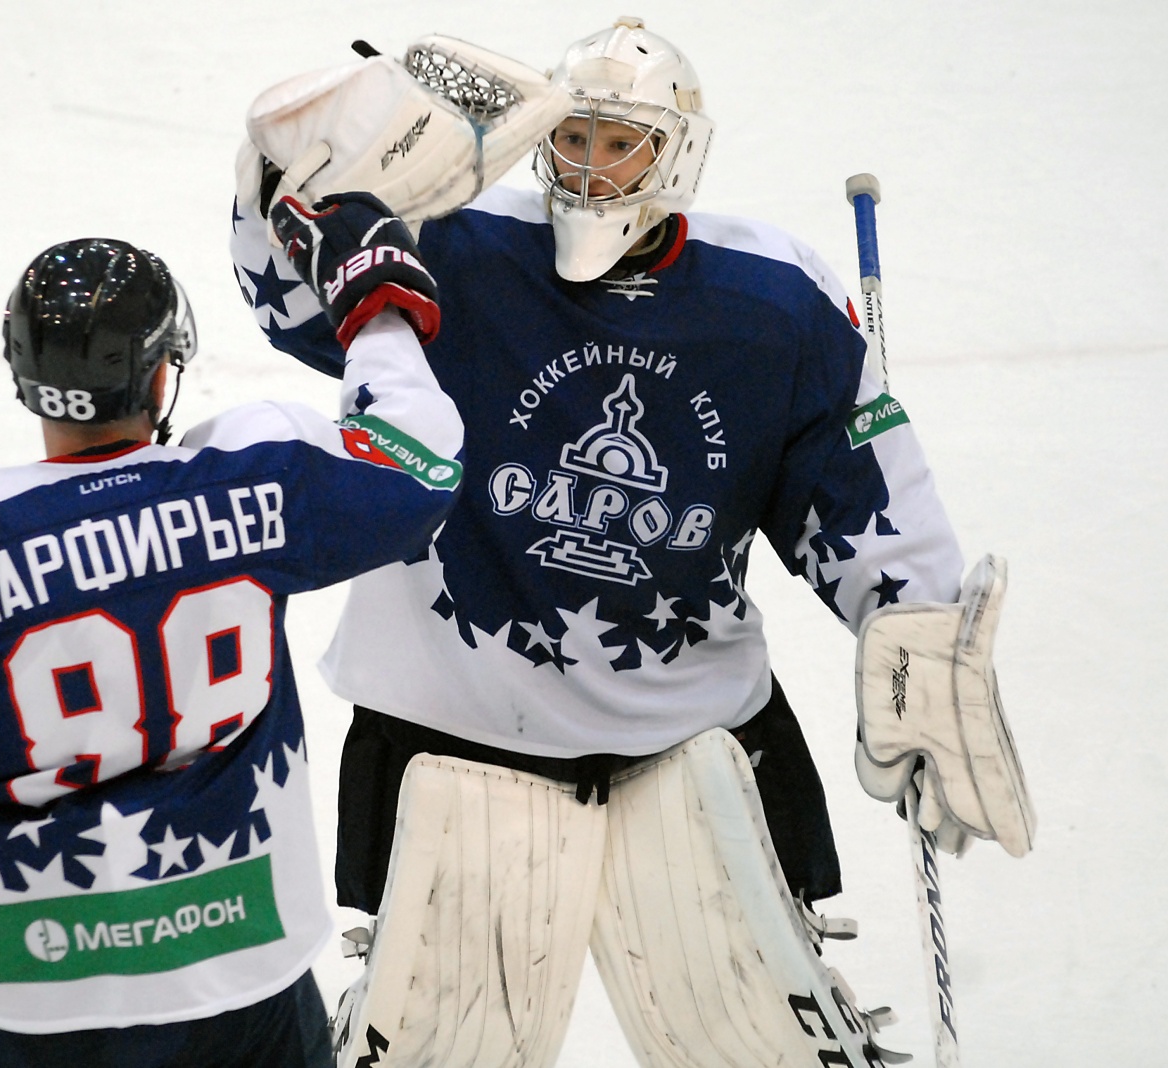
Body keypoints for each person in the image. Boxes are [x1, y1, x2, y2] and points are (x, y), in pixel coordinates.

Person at [231, 17, 1032, 1068]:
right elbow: (290, 304)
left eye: (621, 145)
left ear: (677, 156)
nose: (590, 168)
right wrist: (280, 176)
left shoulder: (772, 299)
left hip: (694, 746)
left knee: (765, 1050)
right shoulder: (455, 248)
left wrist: (917, 632)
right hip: (455, 739)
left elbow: (854, 484)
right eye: (574, 139)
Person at [0, 196, 463, 1068]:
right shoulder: (254, 475)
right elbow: (420, 464)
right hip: (243, 975)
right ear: (161, 377)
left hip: (25, 991)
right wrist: (377, 310)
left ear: (22, 373)